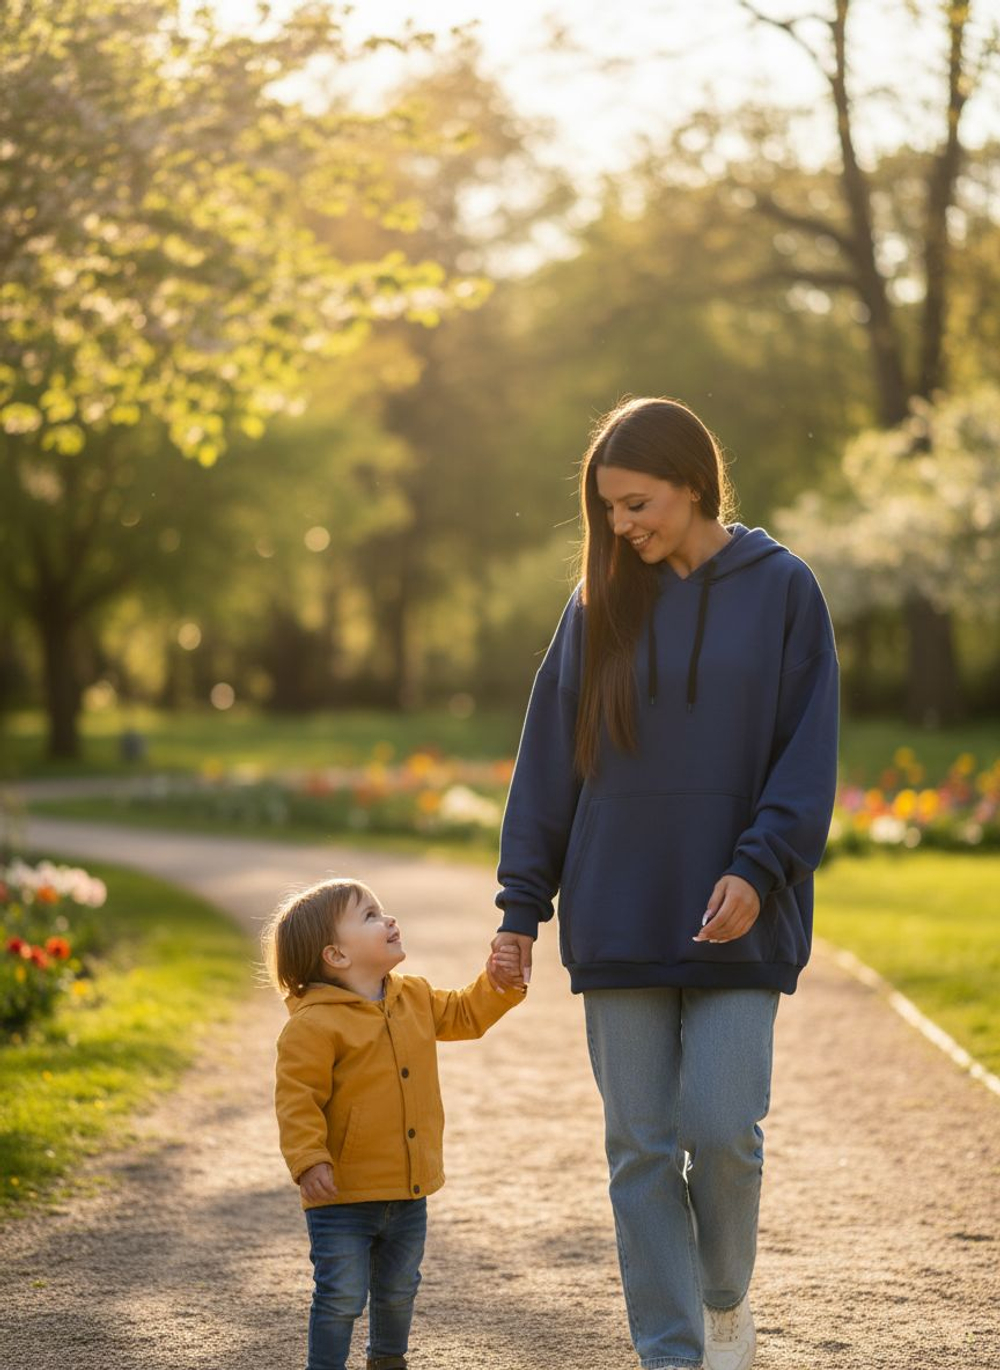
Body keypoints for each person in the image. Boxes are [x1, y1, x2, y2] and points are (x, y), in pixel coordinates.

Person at [489, 396, 839, 1370]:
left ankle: (723, 1294)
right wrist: (521, 908)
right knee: (639, 1149)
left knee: (723, 1131)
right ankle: (672, 1351)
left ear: (693, 483)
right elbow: (549, 762)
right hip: (617, 909)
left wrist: (758, 866)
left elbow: (806, 757)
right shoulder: (600, 599)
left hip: (740, 915)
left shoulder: (782, 589)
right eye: (606, 509)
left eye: (636, 503)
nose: (620, 525)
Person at [263, 876, 525, 1370]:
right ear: (336, 956)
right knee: (340, 1296)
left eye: (382, 911)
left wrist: (496, 984)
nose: (389, 920)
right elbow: (296, 1101)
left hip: (408, 1188)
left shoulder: (415, 998)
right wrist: (308, 1160)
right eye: (369, 916)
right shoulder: (313, 1026)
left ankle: (388, 1360)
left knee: (399, 1290)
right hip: (343, 1194)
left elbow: (467, 1014)